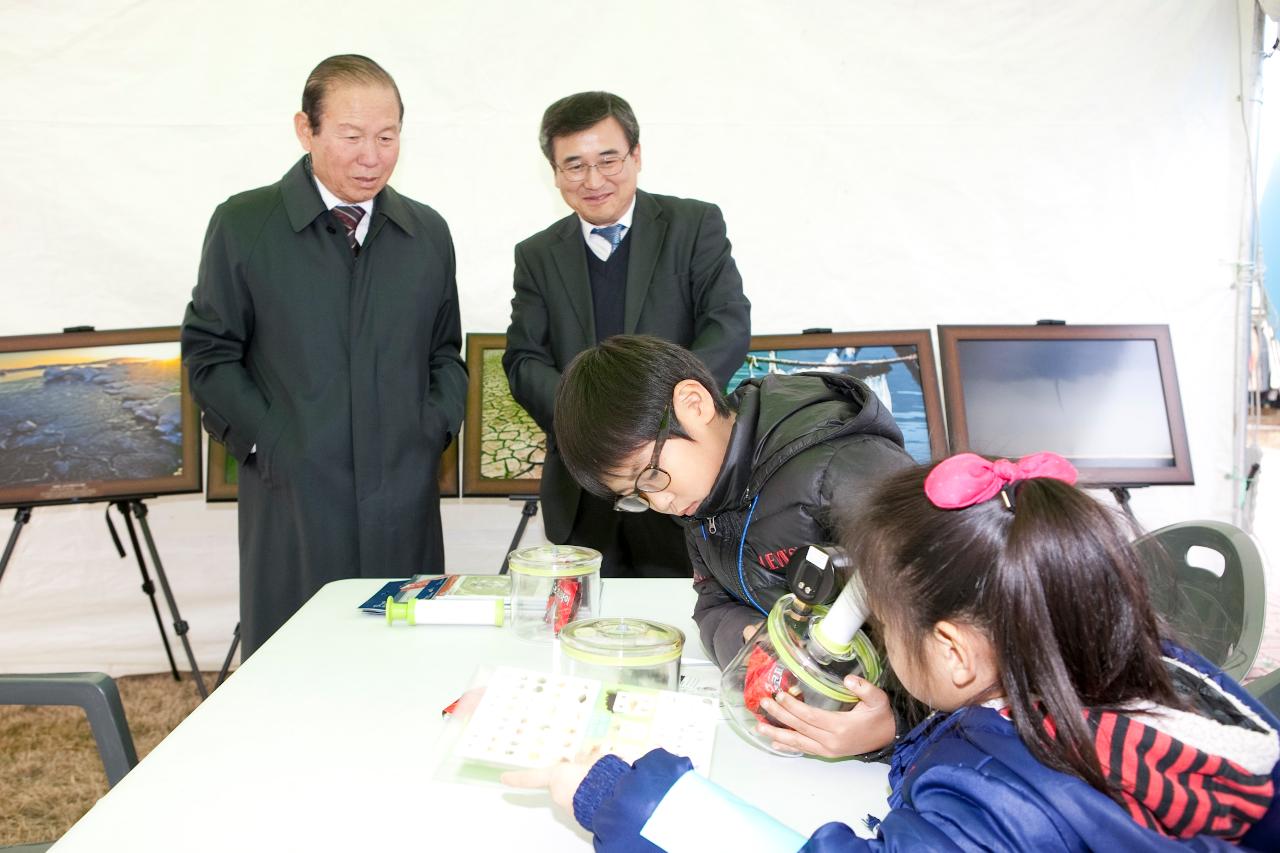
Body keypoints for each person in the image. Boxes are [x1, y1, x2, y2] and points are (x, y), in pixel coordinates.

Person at [504, 453, 1280, 851]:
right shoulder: (1157, 682)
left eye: (885, 622)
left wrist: (613, 795)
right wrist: (899, 736)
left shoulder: (996, 803)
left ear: (953, 650)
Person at [181, 55, 467, 658]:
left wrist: (431, 429)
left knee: (401, 656)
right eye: (352, 135)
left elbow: (446, 352)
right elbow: (210, 355)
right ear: (305, 130)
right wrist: (272, 443)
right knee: (296, 658)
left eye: (388, 137)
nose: (373, 155)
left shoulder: (427, 234)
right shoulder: (244, 224)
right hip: (295, 497)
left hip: (403, 493)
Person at [554, 335, 917, 757]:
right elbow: (711, 603)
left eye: (650, 476)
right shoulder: (701, 499)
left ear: (694, 404)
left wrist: (896, 728)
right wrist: (749, 638)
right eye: (637, 496)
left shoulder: (845, 469)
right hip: (811, 723)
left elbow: (967, 634)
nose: (660, 502)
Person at [503, 91, 750, 580]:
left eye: (608, 159)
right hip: (583, 487)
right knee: (584, 630)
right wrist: (588, 420)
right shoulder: (536, 254)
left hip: (683, 477)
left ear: (635, 155)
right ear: (553, 172)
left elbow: (728, 324)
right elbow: (524, 359)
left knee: (692, 624)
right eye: (574, 165)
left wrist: (659, 415)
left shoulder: (692, 225)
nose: (593, 180)